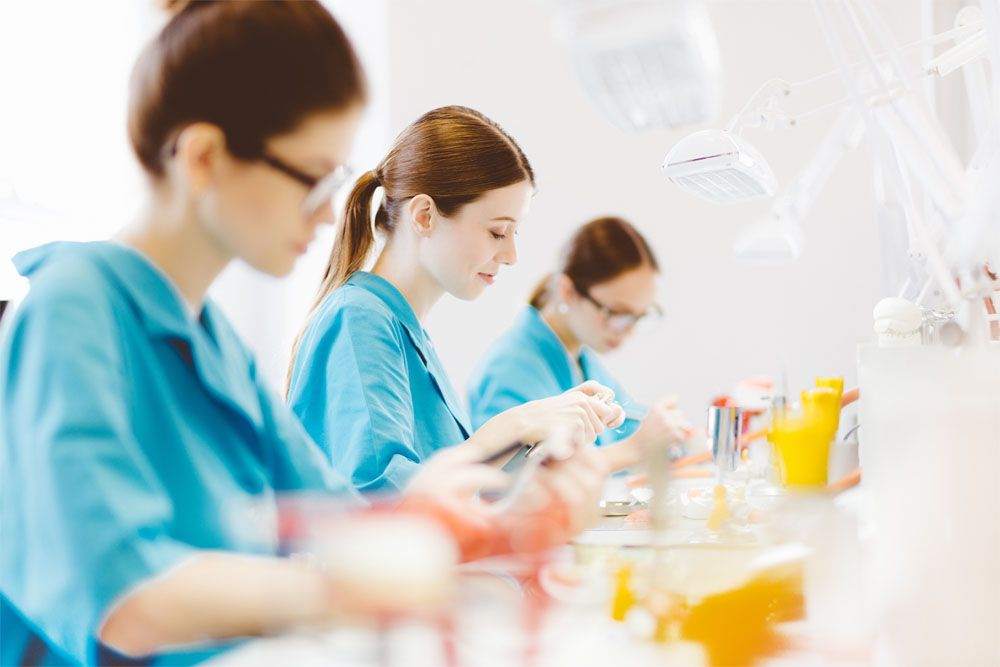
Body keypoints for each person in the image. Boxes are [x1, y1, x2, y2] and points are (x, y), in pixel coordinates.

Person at [0, 3, 608, 664]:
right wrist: (349, 585)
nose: (326, 213)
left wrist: (510, 519)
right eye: (312, 178)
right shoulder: (73, 309)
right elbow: (127, 600)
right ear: (203, 156)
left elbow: (347, 519)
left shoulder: (213, 339)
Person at [287, 106, 627, 493]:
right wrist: (516, 425)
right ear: (424, 216)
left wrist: (538, 440)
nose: (511, 255)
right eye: (498, 232)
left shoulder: (404, 332)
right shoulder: (358, 318)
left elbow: (454, 493)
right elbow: (381, 496)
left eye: (514, 233)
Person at [468, 216, 689, 468]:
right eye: (617, 314)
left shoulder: (582, 360)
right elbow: (514, 476)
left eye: (639, 317)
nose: (629, 331)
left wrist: (666, 432)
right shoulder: (511, 369)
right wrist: (631, 450)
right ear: (566, 291)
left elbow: (628, 426)